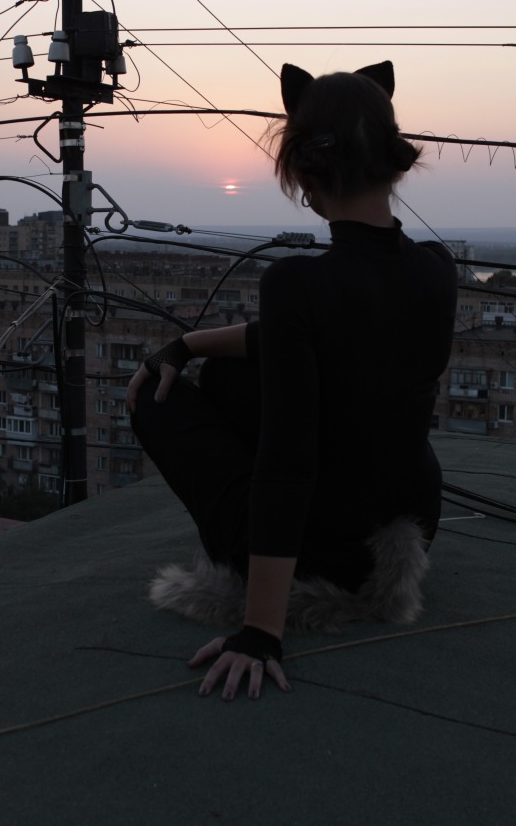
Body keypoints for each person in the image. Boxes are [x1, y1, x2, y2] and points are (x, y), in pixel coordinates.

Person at [127, 61, 457, 702]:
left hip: (318, 551)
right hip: (404, 524)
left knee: (158, 404)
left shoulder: (296, 284)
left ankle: (265, 583)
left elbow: (286, 464)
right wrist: (186, 345)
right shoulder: (436, 269)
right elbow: (322, 335)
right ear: (392, 163)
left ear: (304, 172)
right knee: (226, 375)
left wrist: (260, 632)